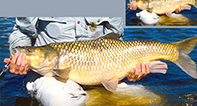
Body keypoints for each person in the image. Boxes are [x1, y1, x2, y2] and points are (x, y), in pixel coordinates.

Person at [3, 17, 168, 105]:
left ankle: (92, 96)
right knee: (61, 101)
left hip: (103, 72)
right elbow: (22, 32)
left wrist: (128, 71)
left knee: (153, 100)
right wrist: (20, 55)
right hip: (51, 76)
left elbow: (115, 38)